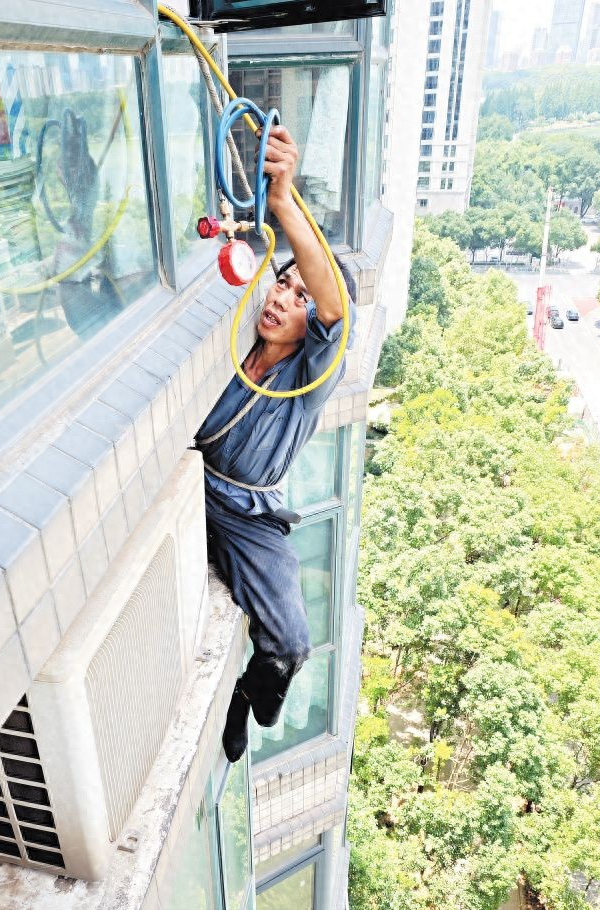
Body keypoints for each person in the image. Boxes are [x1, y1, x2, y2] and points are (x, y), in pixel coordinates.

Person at [194, 124, 358, 763]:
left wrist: (284, 200)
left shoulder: (309, 376)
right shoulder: (230, 345)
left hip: (247, 517)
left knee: (289, 643)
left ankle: (245, 697)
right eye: (280, 285)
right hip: (192, 487)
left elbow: (337, 307)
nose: (282, 299)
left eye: (299, 295)